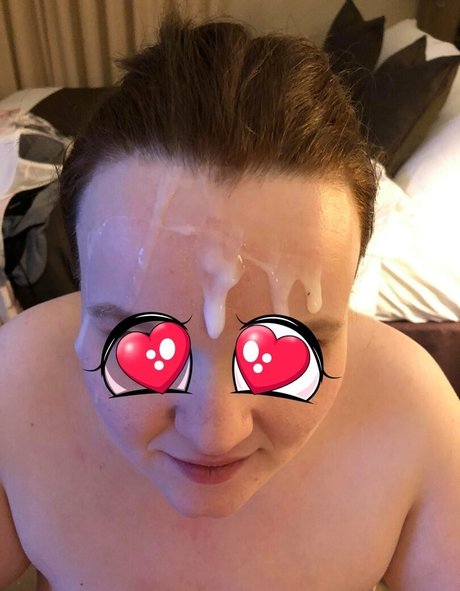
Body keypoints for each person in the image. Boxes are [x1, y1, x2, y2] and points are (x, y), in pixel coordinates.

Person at [1, 7, 459, 591]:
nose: (214, 435)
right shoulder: (14, 388)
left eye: (284, 349)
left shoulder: (416, 418)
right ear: (83, 291)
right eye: (144, 342)